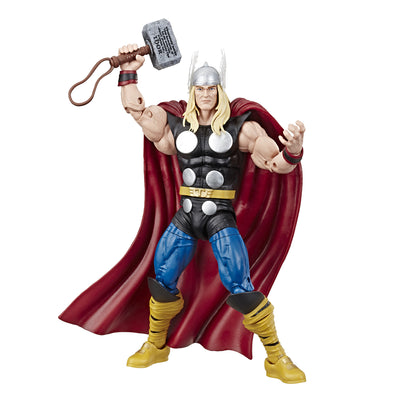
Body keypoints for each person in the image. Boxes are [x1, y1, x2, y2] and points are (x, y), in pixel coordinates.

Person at [117, 44, 306, 383]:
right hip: (186, 216)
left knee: (239, 283)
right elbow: (137, 111)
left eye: (211, 88)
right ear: (192, 90)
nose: (206, 94)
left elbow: (275, 164)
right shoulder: (175, 125)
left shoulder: (242, 129)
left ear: (220, 90)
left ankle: (276, 356)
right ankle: (156, 345)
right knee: (162, 277)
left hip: (220, 217)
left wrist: (293, 151)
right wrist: (129, 71)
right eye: (200, 88)